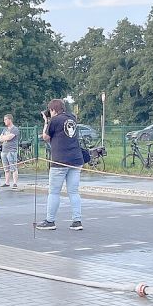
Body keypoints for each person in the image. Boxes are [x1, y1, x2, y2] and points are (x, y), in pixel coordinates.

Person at [36, 99, 84, 231]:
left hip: (60, 161)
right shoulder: (72, 118)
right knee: (73, 192)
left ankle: (50, 221)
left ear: (53, 110)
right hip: (76, 159)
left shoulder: (54, 120)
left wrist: (46, 121)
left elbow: (46, 136)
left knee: (54, 192)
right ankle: (77, 221)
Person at [0, 114, 20, 189]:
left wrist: (5, 137)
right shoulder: (5, 129)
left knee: (13, 167)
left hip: (11, 151)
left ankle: (15, 183)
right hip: (4, 150)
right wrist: (5, 138)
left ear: (10, 119)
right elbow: (0, 139)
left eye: (5, 119)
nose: (4, 121)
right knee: (6, 168)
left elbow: (10, 137)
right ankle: (7, 182)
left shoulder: (15, 129)